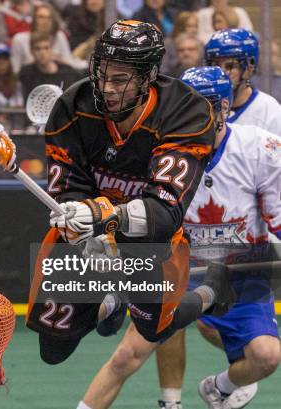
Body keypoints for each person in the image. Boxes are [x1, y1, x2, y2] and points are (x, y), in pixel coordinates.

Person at [26, 20, 231, 409]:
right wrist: (81, 229)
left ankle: (209, 291)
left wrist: (104, 218)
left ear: (148, 76)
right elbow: (68, 187)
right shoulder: (72, 108)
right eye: (102, 75)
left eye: (120, 79)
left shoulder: (187, 113)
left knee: (157, 326)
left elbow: (164, 212)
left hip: (151, 240)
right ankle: (109, 301)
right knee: (53, 349)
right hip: (90, 235)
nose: (107, 88)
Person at [155, 27, 281, 409]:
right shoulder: (174, 137)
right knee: (152, 331)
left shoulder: (267, 121)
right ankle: (170, 401)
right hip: (191, 254)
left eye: (231, 65)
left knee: (260, 351)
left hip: (245, 254)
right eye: (217, 64)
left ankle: (222, 384)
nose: (223, 72)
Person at [204, 28, 281, 135]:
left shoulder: (269, 112)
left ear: (249, 68)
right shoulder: (203, 108)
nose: (221, 73)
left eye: (230, 66)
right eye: (215, 66)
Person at [10, 2, 76, 73]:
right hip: (29, 79)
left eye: (49, 18)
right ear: (34, 19)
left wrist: (57, 59)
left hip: (56, 78)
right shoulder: (19, 39)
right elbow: (15, 70)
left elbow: (69, 64)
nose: (45, 21)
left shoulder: (59, 36)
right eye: (41, 17)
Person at [18, 31, 81, 101]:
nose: (42, 53)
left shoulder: (67, 72)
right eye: (37, 49)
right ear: (31, 51)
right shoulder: (27, 73)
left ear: (51, 50)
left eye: (46, 48)